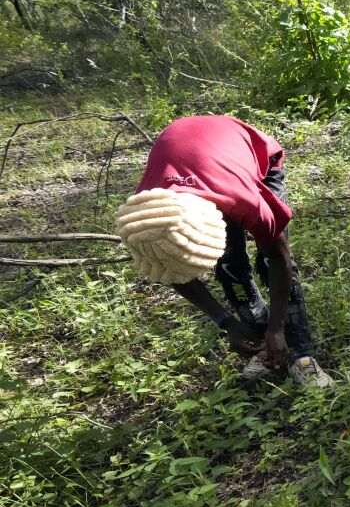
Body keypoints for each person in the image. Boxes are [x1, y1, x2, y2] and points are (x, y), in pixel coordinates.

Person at [115, 115, 332, 386]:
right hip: (201, 163)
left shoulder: (246, 201)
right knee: (229, 265)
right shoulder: (147, 216)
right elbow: (170, 271)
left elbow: (280, 259)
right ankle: (264, 348)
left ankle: (299, 354)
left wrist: (277, 327)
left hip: (253, 157)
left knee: (267, 260)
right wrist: (226, 322)